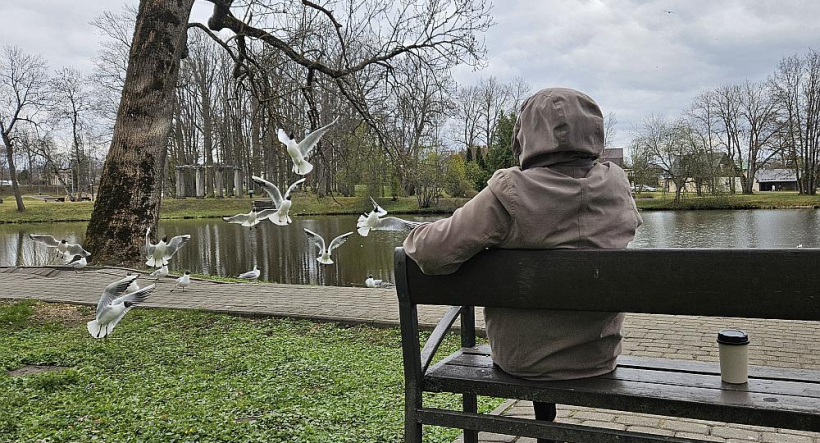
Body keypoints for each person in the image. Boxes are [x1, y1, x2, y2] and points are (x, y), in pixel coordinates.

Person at [403, 87, 642, 440]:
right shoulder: (617, 185)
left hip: (523, 361)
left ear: (525, 135)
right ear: (593, 131)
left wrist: (416, 232)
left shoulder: (511, 191)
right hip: (598, 356)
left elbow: (431, 251)